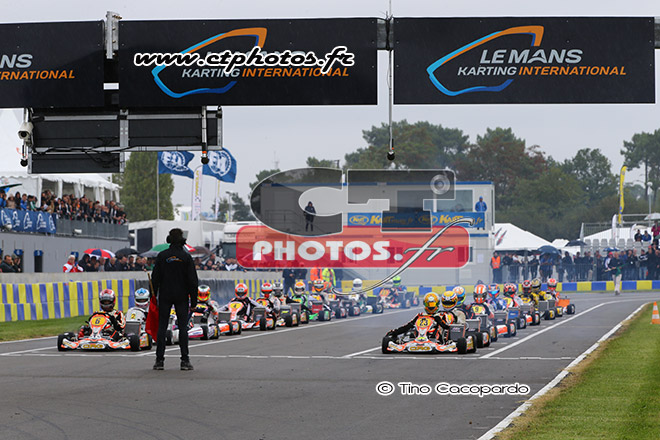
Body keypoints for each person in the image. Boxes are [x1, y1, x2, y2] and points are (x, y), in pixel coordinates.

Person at [151, 228, 199, 371]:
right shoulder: (186, 257)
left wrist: (153, 297)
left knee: (162, 327)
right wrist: (194, 302)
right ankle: (185, 360)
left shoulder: (162, 256)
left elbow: (155, 279)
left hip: (165, 294)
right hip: (181, 295)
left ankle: (159, 360)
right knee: (183, 327)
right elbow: (193, 281)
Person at [385, 292, 455, 342]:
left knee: (437, 331)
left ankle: (434, 339)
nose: (431, 307)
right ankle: (415, 338)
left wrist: (438, 320)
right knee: (411, 329)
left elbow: (447, 326)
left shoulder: (441, 315)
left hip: (436, 337)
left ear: (437, 304)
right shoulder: (420, 315)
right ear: (425, 304)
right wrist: (394, 332)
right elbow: (408, 326)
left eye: (432, 304)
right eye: (429, 304)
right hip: (420, 335)